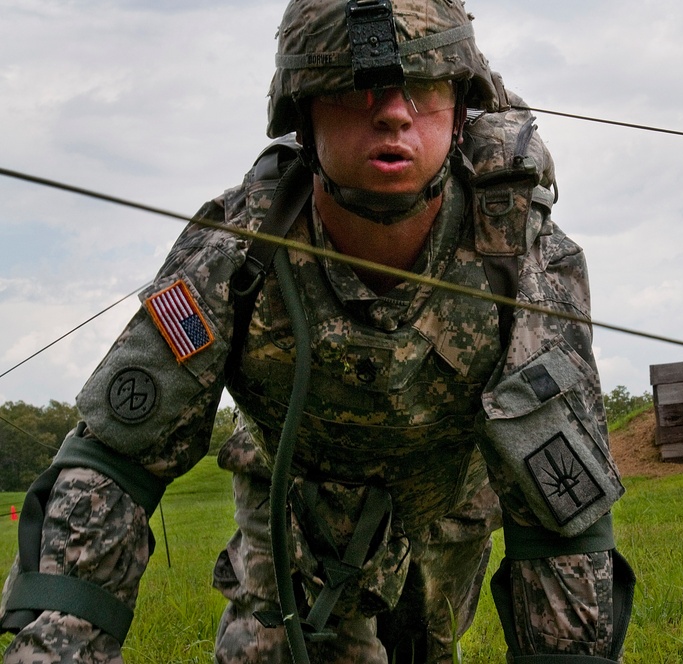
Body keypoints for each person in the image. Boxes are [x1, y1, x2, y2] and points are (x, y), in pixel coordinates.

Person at [0, 0, 633, 661]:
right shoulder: (235, 250)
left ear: (459, 108)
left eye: (422, 86)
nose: (392, 112)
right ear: (302, 115)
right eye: (357, 86)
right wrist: (56, 648)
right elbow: (114, 462)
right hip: (290, 514)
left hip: (445, 514)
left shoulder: (523, 260)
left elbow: (563, 512)